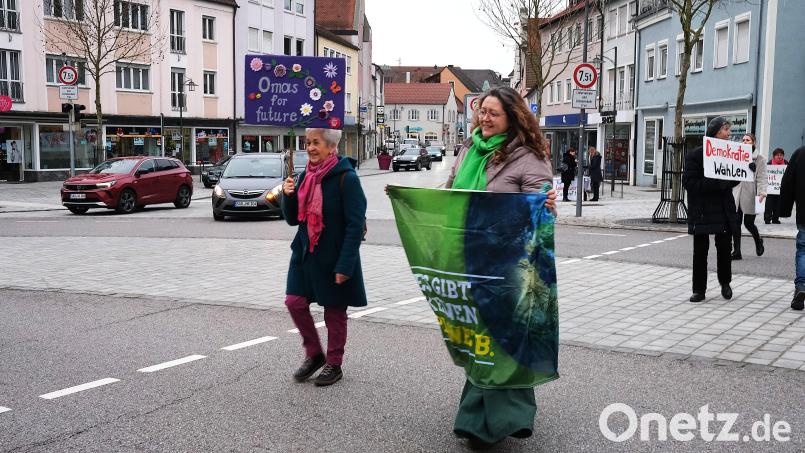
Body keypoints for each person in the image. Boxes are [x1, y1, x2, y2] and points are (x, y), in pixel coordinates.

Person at [445, 86, 557, 448]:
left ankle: (492, 420)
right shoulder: (467, 150)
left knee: (500, 337)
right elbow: (449, 194)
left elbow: (541, 208)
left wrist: (547, 205)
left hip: (509, 263)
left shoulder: (527, 156)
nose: (485, 118)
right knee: (479, 335)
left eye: (493, 113)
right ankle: (494, 413)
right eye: (482, 111)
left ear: (512, 117)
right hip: (468, 256)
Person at [281, 128, 368, 386]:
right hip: (305, 253)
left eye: (315, 143)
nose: (309, 148)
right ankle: (314, 353)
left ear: (331, 147)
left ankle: (334, 363)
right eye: (307, 143)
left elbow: (355, 225)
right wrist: (287, 196)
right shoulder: (303, 176)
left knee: (334, 312)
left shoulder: (347, 178)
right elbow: (292, 219)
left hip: (334, 256)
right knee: (294, 301)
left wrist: (345, 264)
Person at [682, 116, 740, 303]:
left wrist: (745, 169)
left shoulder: (729, 154)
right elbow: (689, 183)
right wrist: (716, 183)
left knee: (724, 248)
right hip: (702, 211)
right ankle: (699, 290)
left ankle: (725, 283)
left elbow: (732, 179)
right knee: (700, 252)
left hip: (723, 209)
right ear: (716, 132)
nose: (729, 134)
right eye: (726, 130)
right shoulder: (696, 155)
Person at [731, 133, 767, 260]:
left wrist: (762, 192)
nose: (745, 142)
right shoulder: (737, 156)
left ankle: (758, 241)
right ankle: (737, 252)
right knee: (735, 223)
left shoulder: (759, 159)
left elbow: (762, 177)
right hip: (737, 192)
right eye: (743, 140)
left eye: (748, 140)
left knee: (748, 223)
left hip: (751, 194)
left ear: (753, 142)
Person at [779, 145, 805, 311]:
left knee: (803, 250)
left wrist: (784, 209)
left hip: (804, 212)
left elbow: (787, 182)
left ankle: (801, 286)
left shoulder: (800, 153)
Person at [764, 148, 787, 224]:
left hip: (781, 188)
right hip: (771, 188)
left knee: (778, 205)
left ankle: (775, 219)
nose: (779, 156)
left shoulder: (786, 164)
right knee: (769, 205)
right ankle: (767, 219)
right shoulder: (769, 164)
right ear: (774, 156)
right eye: (777, 155)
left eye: (781, 155)